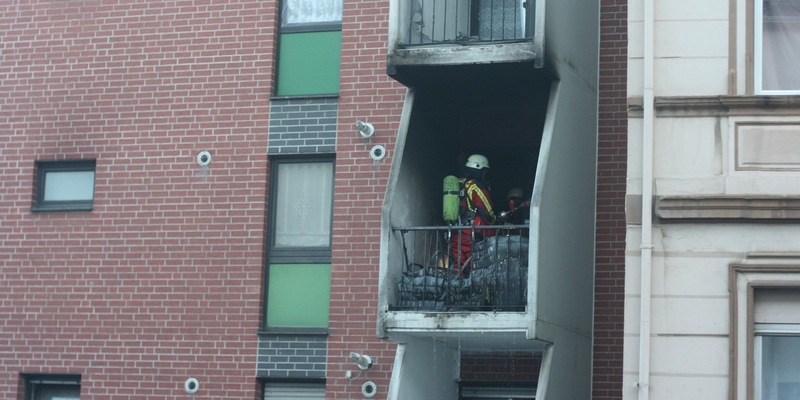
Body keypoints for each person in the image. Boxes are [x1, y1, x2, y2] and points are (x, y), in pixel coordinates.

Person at [450, 154, 497, 276]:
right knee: (475, 267)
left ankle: (457, 292)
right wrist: (495, 220)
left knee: (459, 266)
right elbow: (487, 210)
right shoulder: (475, 186)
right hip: (472, 234)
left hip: (457, 232)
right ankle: (473, 293)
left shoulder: (460, 184)